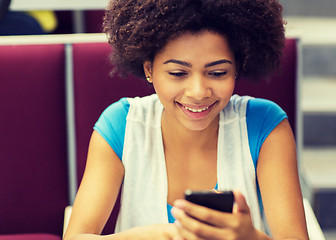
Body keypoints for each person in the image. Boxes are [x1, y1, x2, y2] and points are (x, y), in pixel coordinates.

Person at [63, 0, 309, 239]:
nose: (199, 92)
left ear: (237, 67)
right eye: (178, 73)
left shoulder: (266, 124)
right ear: (149, 69)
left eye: (217, 72)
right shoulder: (121, 125)